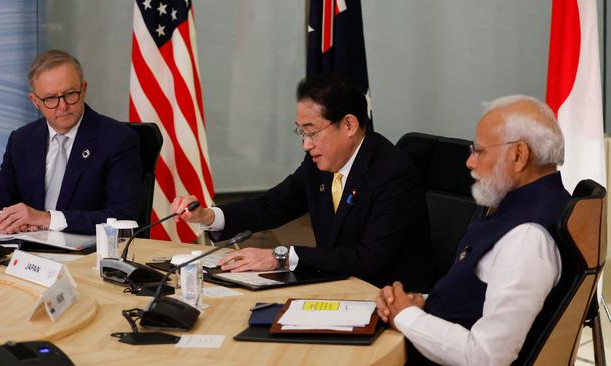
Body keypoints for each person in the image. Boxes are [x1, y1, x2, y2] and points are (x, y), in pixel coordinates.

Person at [172, 73, 432, 290]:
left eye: (313, 132)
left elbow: (369, 258)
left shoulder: (392, 172)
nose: (306, 144)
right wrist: (207, 216)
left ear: (349, 125)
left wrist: (280, 257)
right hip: (335, 288)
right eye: (302, 132)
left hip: (386, 300)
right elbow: (271, 206)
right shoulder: (320, 163)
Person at [376, 95, 571, 366]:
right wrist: (421, 306)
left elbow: (487, 356)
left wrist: (407, 317)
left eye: (479, 151)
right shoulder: (532, 207)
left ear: (519, 155)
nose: (469, 162)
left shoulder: (527, 237)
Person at [0, 50, 142, 235]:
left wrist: (46, 219)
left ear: (84, 89)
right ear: (35, 101)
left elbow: (124, 217)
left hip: (88, 255)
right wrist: (4, 221)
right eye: (50, 98)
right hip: (28, 253)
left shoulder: (117, 139)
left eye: (70, 94)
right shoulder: (22, 140)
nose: (63, 106)